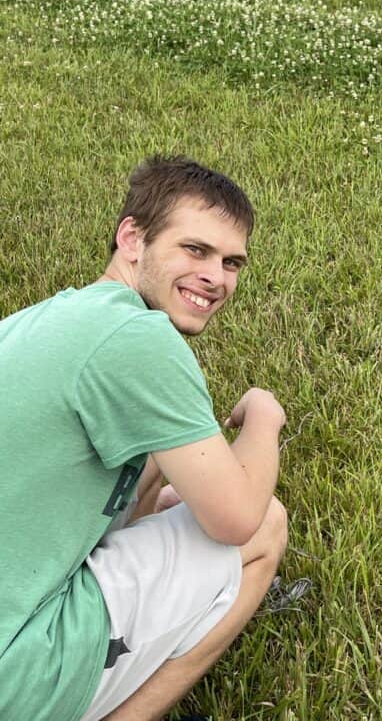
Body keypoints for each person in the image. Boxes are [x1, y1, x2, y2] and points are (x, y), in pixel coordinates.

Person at [0, 156, 289, 721]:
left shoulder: (45, 317)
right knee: (263, 527)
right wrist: (264, 416)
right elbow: (236, 519)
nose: (217, 277)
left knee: (165, 482)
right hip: (16, 673)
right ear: (132, 237)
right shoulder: (140, 338)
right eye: (196, 250)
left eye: (232, 262)